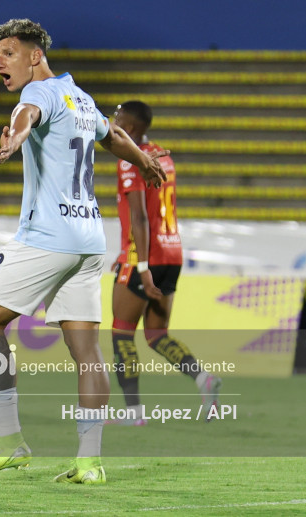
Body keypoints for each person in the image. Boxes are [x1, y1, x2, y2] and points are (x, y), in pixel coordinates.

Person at [0, 19, 167, 484]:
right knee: (87, 352)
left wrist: (16, 136)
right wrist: (145, 159)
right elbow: (112, 135)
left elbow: (26, 114)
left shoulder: (37, 95)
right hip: (90, 240)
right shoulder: (80, 97)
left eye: (8, 53)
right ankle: (89, 462)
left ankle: (9, 440)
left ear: (35, 56)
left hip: (46, 238)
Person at [110, 100, 221, 426]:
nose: (112, 124)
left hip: (143, 254)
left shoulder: (131, 161)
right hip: (173, 252)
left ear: (128, 128)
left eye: (117, 120)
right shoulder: (163, 155)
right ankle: (204, 379)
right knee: (156, 334)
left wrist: (142, 268)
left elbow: (141, 217)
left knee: (122, 332)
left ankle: (134, 414)